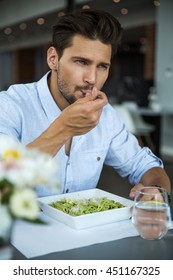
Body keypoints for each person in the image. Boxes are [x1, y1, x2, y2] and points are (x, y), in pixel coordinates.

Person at [0, 9, 171, 198]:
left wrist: (157, 192)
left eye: (102, 66)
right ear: (53, 59)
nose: (92, 78)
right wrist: (63, 128)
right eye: (81, 62)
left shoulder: (105, 115)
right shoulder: (10, 106)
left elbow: (146, 165)